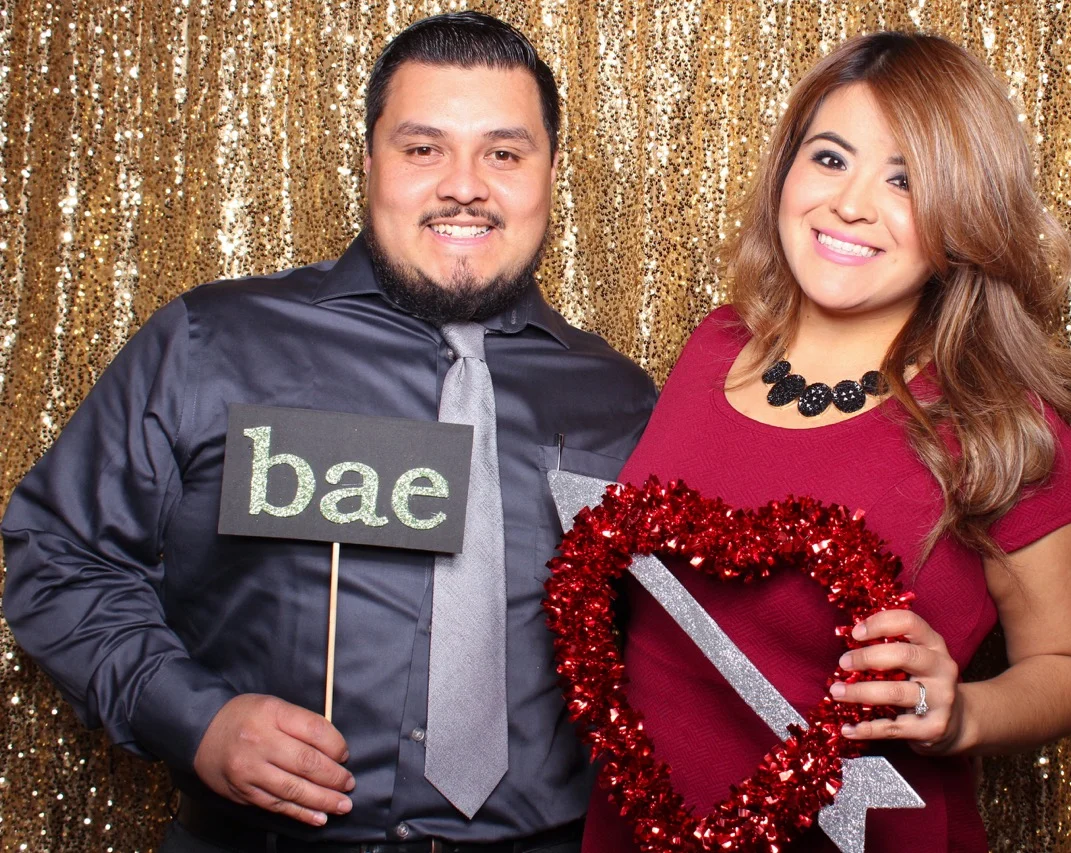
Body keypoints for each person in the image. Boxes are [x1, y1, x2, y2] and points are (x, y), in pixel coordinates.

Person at [2, 12, 655, 853]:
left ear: (551, 174)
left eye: (503, 153)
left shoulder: (621, 399)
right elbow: (59, 554)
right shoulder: (213, 342)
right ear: (370, 163)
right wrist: (195, 719)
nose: (464, 185)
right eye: (423, 148)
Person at [581, 31, 1071, 852]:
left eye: (905, 179)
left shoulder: (1000, 427)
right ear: (786, 170)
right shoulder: (714, 346)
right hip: (640, 826)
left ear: (964, 214)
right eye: (830, 158)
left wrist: (963, 713)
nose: (852, 204)